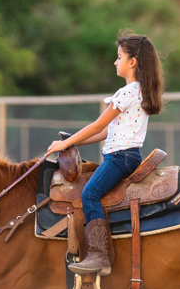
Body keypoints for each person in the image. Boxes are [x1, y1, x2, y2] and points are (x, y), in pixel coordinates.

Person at [47, 31, 164, 275]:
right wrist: (71, 142)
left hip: (119, 157)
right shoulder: (138, 91)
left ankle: (99, 256)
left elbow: (98, 126)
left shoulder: (127, 93)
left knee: (90, 194)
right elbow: (103, 134)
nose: (115, 61)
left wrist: (60, 146)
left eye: (119, 57)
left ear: (132, 62)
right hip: (127, 155)